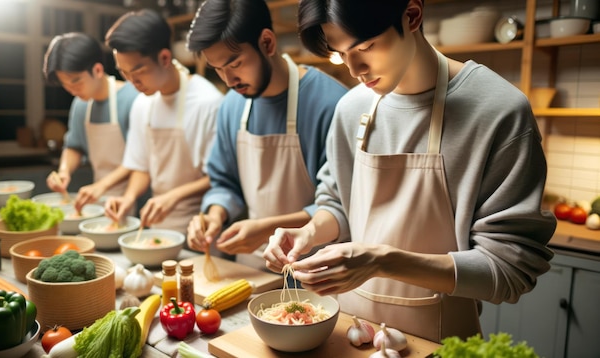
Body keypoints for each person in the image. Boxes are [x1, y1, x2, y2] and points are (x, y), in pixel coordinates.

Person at [263, 0, 557, 342]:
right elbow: (339, 204)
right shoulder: (351, 108)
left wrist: (382, 261)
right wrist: (310, 232)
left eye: (366, 46)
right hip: (349, 334)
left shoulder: (499, 111)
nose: (355, 68)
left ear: (412, 15)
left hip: (441, 339)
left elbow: (508, 270)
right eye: (341, 54)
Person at [185, 0, 348, 269]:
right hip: (251, 268)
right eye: (218, 69)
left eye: (235, 64)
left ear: (267, 43)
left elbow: (338, 205)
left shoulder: (331, 104)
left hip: (315, 270)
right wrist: (215, 214)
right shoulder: (232, 105)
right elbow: (225, 182)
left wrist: (266, 229)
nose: (228, 80)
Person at [103, 9, 223, 234]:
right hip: (156, 225)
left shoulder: (208, 102)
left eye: (138, 71)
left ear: (165, 58)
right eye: (124, 73)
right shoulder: (142, 104)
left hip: (201, 226)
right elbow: (141, 166)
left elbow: (219, 177)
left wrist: (173, 196)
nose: (132, 82)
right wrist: (128, 198)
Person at [43, 32, 139, 212]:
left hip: (135, 198)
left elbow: (139, 158)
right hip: (98, 199)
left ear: (97, 70)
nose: (72, 91)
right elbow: (74, 146)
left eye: (76, 82)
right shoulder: (81, 104)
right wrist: (64, 171)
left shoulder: (132, 99)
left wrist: (102, 186)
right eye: (66, 85)